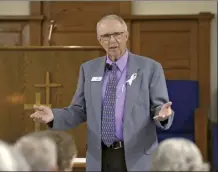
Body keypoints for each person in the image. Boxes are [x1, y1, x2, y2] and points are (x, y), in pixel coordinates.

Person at [30, 14, 174, 171]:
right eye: (105, 36)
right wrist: (54, 116)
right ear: (99, 40)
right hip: (99, 157)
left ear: (126, 35)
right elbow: (79, 110)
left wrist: (163, 115)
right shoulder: (88, 69)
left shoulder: (150, 68)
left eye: (117, 34)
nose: (112, 40)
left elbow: (160, 107)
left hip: (137, 156)